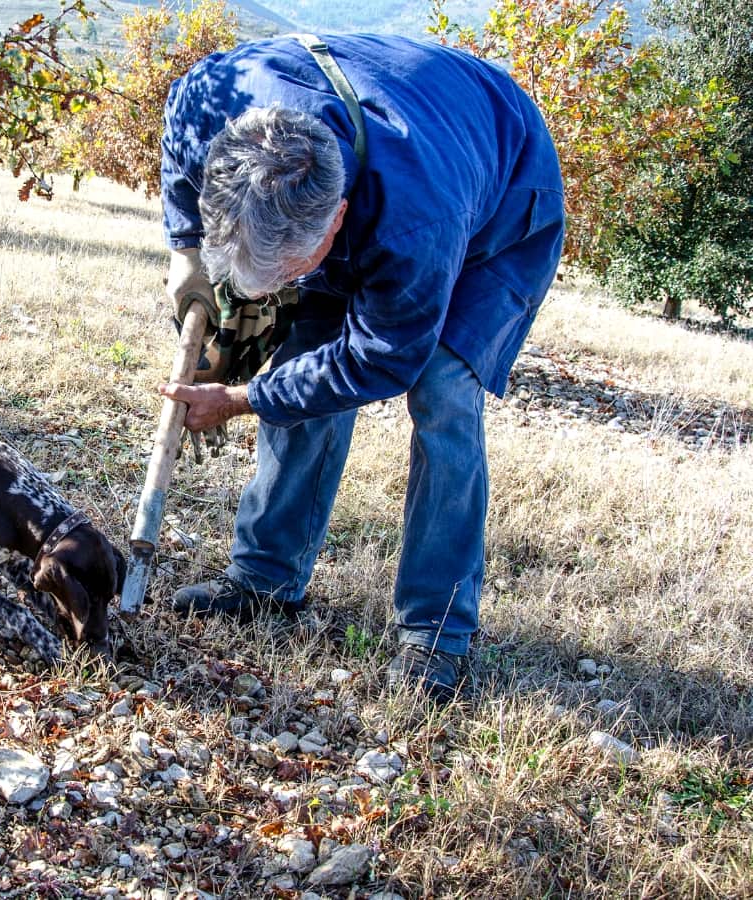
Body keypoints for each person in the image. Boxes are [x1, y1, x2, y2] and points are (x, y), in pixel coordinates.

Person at [157, 33, 565, 702]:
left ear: (337, 217)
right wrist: (184, 253)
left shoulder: (413, 227)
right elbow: (182, 113)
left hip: (500, 200)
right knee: (300, 359)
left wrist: (240, 397)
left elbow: (377, 360)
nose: (271, 289)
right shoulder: (223, 102)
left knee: (443, 393)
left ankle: (438, 636)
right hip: (393, 167)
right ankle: (265, 583)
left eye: (288, 271)